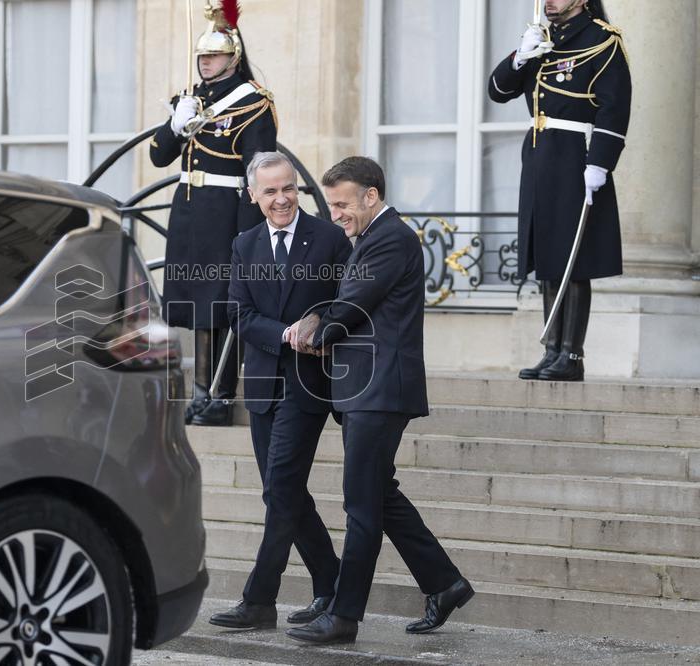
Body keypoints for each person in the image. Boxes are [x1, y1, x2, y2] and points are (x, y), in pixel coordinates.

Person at [285, 157, 472, 645]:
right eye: (330, 205)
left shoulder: (391, 237)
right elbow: (344, 297)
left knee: (361, 505)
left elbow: (353, 303)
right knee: (380, 496)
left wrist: (316, 332)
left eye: (342, 203)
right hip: (366, 388)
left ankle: (345, 616)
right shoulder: (368, 238)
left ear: (371, 195)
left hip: (380, 388)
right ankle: (445, 584)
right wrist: (317, 318)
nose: (335, 214)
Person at [209, 152, 350, 630]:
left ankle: (258, 599)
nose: (281, 198)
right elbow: (238, 313)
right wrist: (283, 332)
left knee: (283, 488)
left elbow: (344, 303)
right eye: (269, 191)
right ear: (253, 196)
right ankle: (332, 585)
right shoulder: (244, 244)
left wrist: (317, 326)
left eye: (287, 188)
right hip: (264, 384)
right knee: (281, 492)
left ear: (298, 189)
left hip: (310, 384)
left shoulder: (328, 237)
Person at [150, 0, 277, 426]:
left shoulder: (251, 103)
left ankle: (220, 395)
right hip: (189, 213)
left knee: (221, 305)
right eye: (202, 55)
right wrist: (174, 126)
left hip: (226, 214)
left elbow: (258, 172)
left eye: (215, 55)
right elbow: (158, 157)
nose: (206, 62)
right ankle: (201, 391)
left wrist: (248, 235)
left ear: (233, 57)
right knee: (197, 304)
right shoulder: (189, 101)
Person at [488, 0, 630, 381]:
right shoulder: (543, 40)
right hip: (539, 155)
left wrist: (600, 162)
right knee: (547, 254)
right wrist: (520, 56)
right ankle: (552, 349)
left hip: (575, 157)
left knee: (574, 259)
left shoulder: (602, 41)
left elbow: (614, 108)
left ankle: (572, 354)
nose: (549, 1)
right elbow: (498, 91)